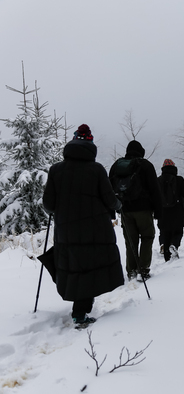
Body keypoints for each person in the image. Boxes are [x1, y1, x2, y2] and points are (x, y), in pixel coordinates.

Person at [43, 124, 124, 328]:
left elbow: (48, 205)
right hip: (95, 230)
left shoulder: (56, 170)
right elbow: (109, 199)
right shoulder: (96, 169)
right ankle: (80, 313)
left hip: (66, 230)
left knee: (74, 265)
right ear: (91, 145)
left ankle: (78, 308)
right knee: (90, 267)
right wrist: (119, 205)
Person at [109, 140, 161, 280]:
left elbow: (109, 188)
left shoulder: (117, 166)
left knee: (130, 240)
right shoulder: (146, 165)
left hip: (125, 209)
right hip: (144, 209)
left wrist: (113, 211)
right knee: (147, 237)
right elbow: (155, 189)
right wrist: (158, 210)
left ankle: (131, 270)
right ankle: (143, 269)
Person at [157, 159, 184, 261]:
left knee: (164, 231)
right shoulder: (179, 180)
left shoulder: (158, 180)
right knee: (178, 231)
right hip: (177, 211)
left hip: (163, 212)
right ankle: (174, 246)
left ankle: (165, 250)